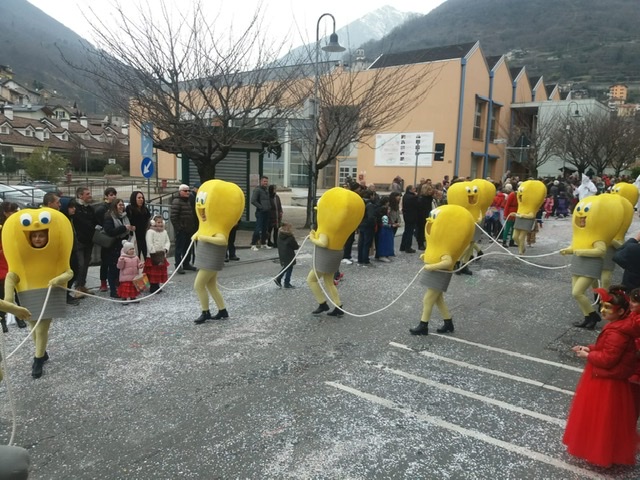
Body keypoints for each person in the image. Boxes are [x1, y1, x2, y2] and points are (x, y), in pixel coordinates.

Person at [563, 286, 639, 468]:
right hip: (608, 378)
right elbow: (607, 349)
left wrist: (588, 355)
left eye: (608, 307)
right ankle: (607, 451)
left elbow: (608, 359)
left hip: (607, 381)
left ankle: (602, 452)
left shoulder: (617, 331)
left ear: (620, 312)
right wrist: (590, 348)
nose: (603, 310)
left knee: (603, 418)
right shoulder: (618, 326)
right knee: (607, 418)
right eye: (602, 306)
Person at [0, 202, 27, 331]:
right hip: (2, 263)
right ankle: (2, 318)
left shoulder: (18, 225)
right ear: (5, 213)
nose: (16, 214)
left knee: (18, 292)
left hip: (15, 262)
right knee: (2, 293)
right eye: (12, 211)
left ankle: (19, 316)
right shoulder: (2, 227)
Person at [103, 198, 135, 299]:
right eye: (119, 205)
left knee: (121, 269)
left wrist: (130, 229)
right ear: (115, 206)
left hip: (123, 245)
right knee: (113, 269)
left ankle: (121, 289)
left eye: (122, 205)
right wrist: (124, 228)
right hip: (113, 246)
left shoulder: (124, 216)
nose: (121, 207)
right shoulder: (109, 217)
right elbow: (110, 231)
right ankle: (113, 290)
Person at [72, 186, 96, 295]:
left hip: (89, 240)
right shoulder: (75, 208)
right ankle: (77, 287)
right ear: (80, 195)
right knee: (80, 264)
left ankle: (82, 286)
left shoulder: (90, 208)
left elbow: (94, 222)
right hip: (79, 241)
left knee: (86, 264)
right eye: (87, 194)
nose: (90, 196)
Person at [93, 187, 117, 292]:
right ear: (106, 196)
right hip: (106, 237)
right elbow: (98, 223)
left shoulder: (116, 206)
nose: (113, 196)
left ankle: (115, 280)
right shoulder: (101, 209)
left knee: (115, 261)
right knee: (105, 261)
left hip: (116, 236)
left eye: (114, 194)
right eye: (111, 195)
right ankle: (103, 282)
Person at [170, 184, 198, 273]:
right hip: (181, 230)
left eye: (188, 191)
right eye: (185, 191)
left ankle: (186, 263)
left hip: (189, 229)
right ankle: (178, 265)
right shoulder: (177, 201)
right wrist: (179, 228)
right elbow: (173, 217)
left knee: (187, 248)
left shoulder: (188, 201)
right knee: (179, 248)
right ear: (180, 192)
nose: (188, 192)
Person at [144, 215, 170, 294]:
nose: (160, 224)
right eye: (158, 222)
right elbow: (149, 243)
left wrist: (165, 249)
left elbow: (167, 241)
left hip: (161, 255)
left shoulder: (164, 232)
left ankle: (157, 285)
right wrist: (153, 252)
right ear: (153, 222)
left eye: (161, 222)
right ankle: (153, 286)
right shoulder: (150, 232)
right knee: (153, 272)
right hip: (153, 256)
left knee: (159, 272)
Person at [126, 190, 151, 258]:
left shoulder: (145, 209)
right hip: (134, 236)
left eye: (142, 198)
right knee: (136, 255)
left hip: (144, 236)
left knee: (145, 255)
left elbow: (149, 220)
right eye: (139, 198)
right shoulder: (129, 208)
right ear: (134, 199)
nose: (141, 199)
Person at [274, 222, 299, 288]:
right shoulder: (290, 237)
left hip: (282, 253)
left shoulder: (280, 235)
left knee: (286, 266)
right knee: (289, 267)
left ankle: (280, 279)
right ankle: (285, 281)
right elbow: (295, 246)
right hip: (289, 254)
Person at [250, 176, 272, 250]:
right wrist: (261, 207)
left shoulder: (266, 190)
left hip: (267, 212)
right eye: (264, 181)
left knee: (265, 228)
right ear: (261, 181)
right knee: (258, 228)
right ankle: (253, 244)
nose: (266, 183)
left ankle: (263, 243)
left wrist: (268, 207)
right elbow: (253, 201)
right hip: (260, 212)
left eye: (267, 181)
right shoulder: (257, 190)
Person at [399, 185, 418, 253]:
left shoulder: (405, 196)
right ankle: (408, 247)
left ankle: (402, 246)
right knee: (410, 232)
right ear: (410, 190)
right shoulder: (412, 197)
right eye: (413, 189)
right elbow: (416, 205)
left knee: (406, 231)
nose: (415, 190)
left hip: (406, 215)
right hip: (411, 216)